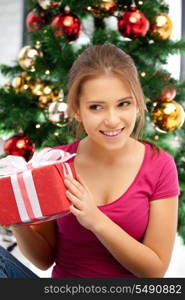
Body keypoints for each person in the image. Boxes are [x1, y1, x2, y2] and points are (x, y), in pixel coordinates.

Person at [0, 43, 180, 278]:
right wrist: (17, 219)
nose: (112, 120)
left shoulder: (159, 165)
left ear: (137, 102)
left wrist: (96, 220)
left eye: (123, 104)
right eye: (96, 107)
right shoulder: (57, 162)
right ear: (77, 110)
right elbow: (44, 260)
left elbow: (154, 271)